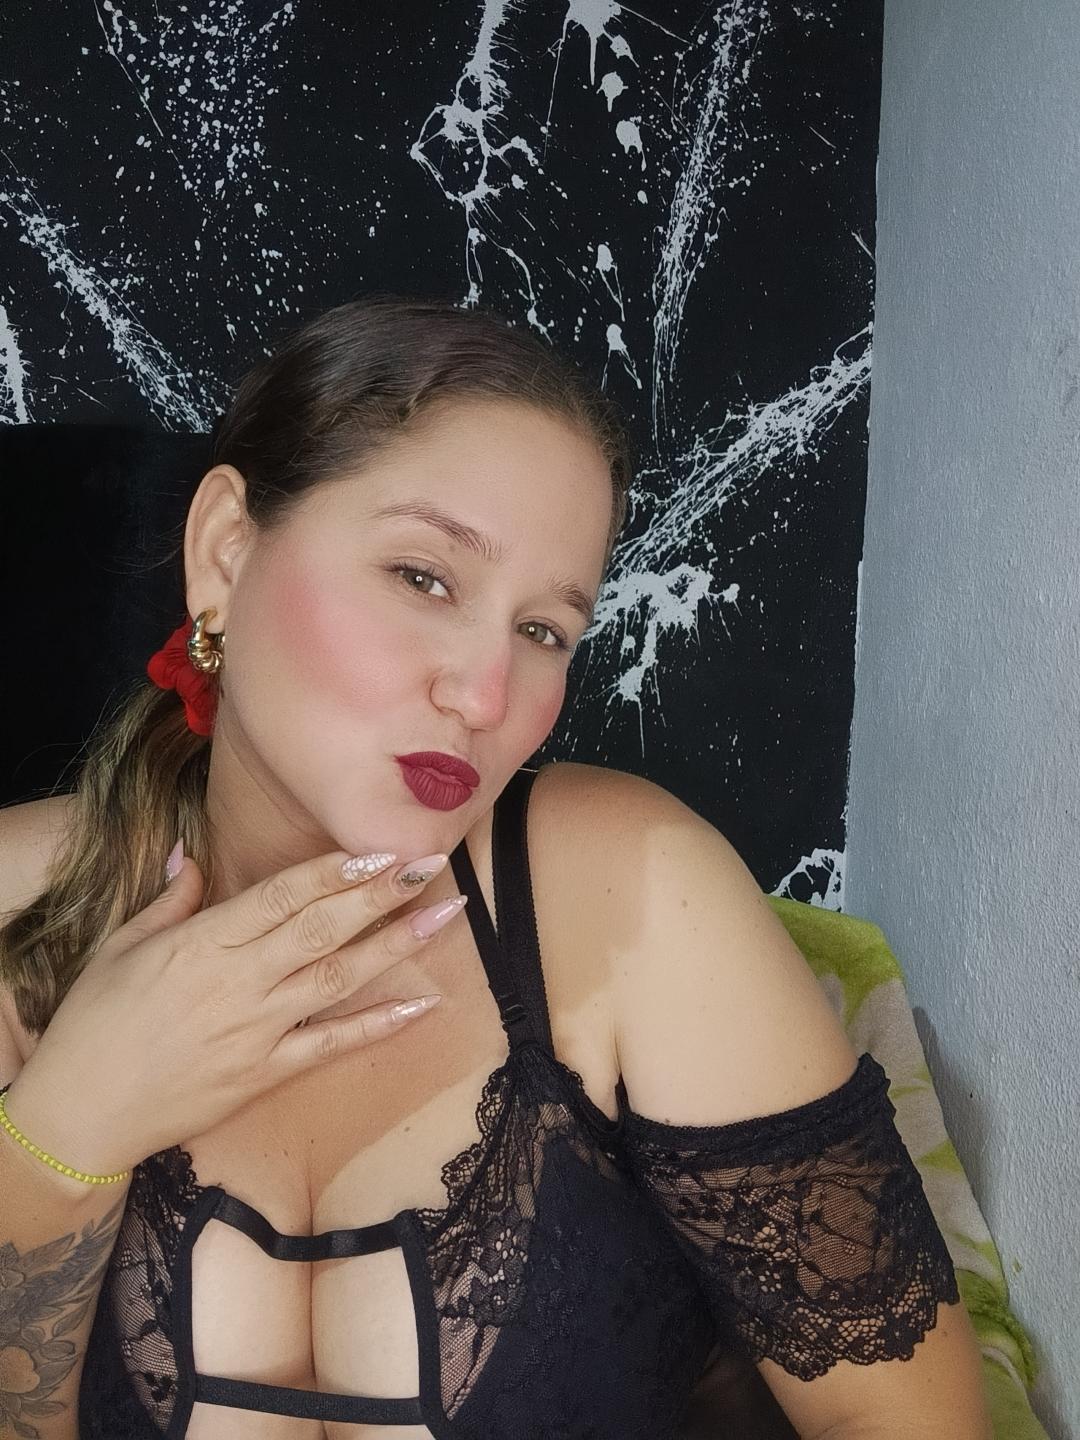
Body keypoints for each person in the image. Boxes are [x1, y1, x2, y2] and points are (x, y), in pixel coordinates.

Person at [0, 294, 990, 1439]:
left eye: (544, 631)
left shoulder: (631, 891)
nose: (482, 695)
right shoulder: (20, 910)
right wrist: (59, 1139)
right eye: (424, 576)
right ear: (226, 549)